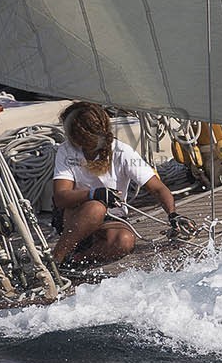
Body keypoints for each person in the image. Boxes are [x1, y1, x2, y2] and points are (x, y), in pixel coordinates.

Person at [50, 100, 189, 265]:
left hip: (111, 219)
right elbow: (61, 197)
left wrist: (173, 215)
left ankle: (74, 261)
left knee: (125, 241)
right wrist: (94, 194)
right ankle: (55, 260)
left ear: (78, 135)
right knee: (96, 208)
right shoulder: (66, 151)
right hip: (75, 217)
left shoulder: (122, 152)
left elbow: (158, 189)